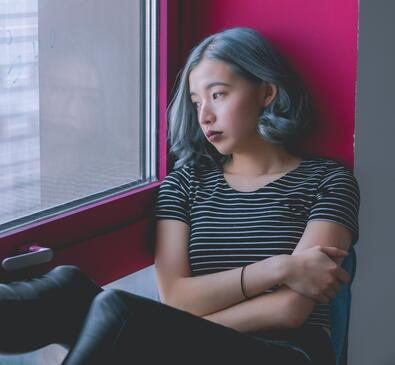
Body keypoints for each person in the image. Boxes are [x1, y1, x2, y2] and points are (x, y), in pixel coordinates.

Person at [0, 27, 359, 365]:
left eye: (218, 95)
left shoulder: (327, 180)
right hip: (194, 343)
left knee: (118, 312)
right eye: (196, 100)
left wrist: (159, 329)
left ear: (266, 91)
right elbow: (176, 297)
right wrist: (278, 267)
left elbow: (289, 311)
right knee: (68, 289)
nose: (204, 115)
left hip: (286, 353)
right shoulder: (185, 184)